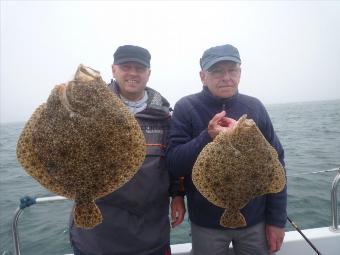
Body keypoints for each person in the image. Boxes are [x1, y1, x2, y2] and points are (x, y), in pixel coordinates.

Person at [166, 44, 287, 255]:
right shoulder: (186, 107)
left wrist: (276, 220)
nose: (226, 77)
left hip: (254, 222)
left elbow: (276, 164)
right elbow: (174, 164)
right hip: (206, 224)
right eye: (217, 71)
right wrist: (207, 136)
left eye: (232, 70)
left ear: (240, 73)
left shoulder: (255, 107)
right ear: (203, 76)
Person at [70, 45, 186, 255]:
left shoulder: (164, 118)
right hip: (97, 233)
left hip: (151, 234)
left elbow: (172, 162)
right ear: (113, 70)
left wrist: (178, 195)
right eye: (126, 67)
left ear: (148, 74)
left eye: (139, 68)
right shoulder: (87, 108)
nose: (132, 73)